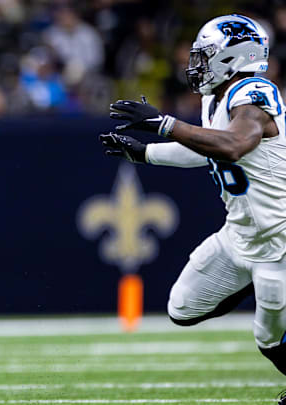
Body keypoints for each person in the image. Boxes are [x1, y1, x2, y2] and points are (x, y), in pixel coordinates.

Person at [100, 14, 286, 403]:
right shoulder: (214, 98)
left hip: (280, 242)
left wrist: (164, 125)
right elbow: (206, 148)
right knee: (182, 307)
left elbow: (233, 144)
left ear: (235, 56)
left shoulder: (255, 92)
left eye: (206, 56)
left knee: (268, 340)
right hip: (240, 234)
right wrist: (145, 153)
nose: (196, 64)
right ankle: (251, 281)